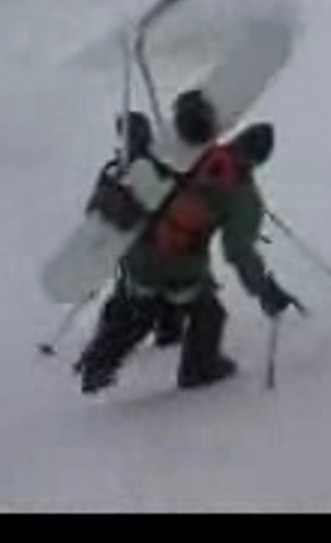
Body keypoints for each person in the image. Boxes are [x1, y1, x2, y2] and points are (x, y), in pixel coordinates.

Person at [74, 90, 298, 395]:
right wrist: (266, 290)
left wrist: (138, 136)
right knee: (209, 313)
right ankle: (200, 369)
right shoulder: (241, 194)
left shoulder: (189, 150)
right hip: (180, 269)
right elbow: (238, 251)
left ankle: (102, 359)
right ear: (258, 161)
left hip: (137, 252)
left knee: (137, 302)